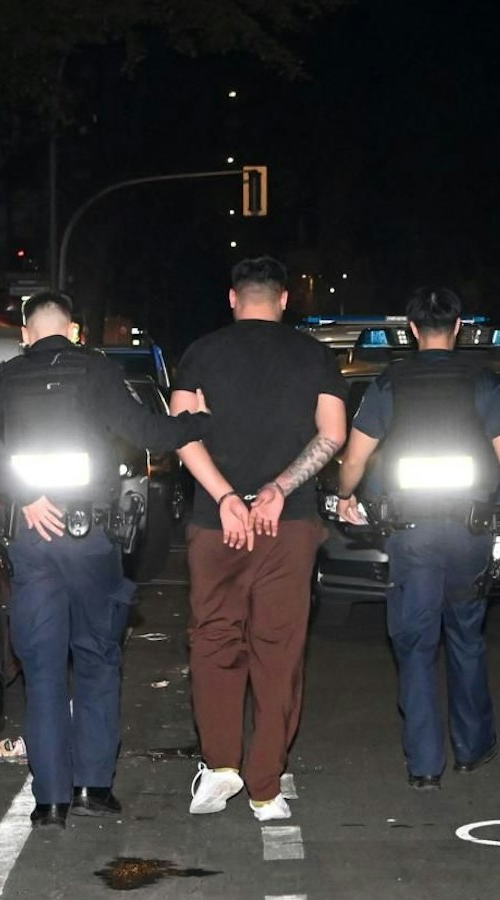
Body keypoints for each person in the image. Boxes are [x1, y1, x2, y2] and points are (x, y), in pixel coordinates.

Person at [0, 291, 209, 828]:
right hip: (90, 536)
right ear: (74, 331)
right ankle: (95, 788)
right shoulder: (96, 372)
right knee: (97, 658)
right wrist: (197, 421)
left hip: (33, 534)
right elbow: (149, 432)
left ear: (24, 335)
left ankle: (50, 802)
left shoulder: (3, 377)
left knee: (44, 670)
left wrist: (25, 494)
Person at [333, 286, 500, 789]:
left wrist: (345, 495)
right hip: (469, 533)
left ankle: (425, 765)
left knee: (415, 642)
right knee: (466, 636)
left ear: (411, 331)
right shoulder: (485, 382)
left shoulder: (390, 384)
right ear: (458, 329)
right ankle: (472, 748)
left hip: (413, 535)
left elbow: (355, 458)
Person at [169, 256, 346, 821]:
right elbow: (333, 434)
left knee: (216, 640)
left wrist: (227, 496)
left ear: (232, 298)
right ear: (285, 299)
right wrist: (278, 487)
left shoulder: (201, 352)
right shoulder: (315, 356)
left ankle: (221, 765)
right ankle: (266, 786)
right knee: (279, 649)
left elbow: (182, 434)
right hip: (287, 523)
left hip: (216, 524)